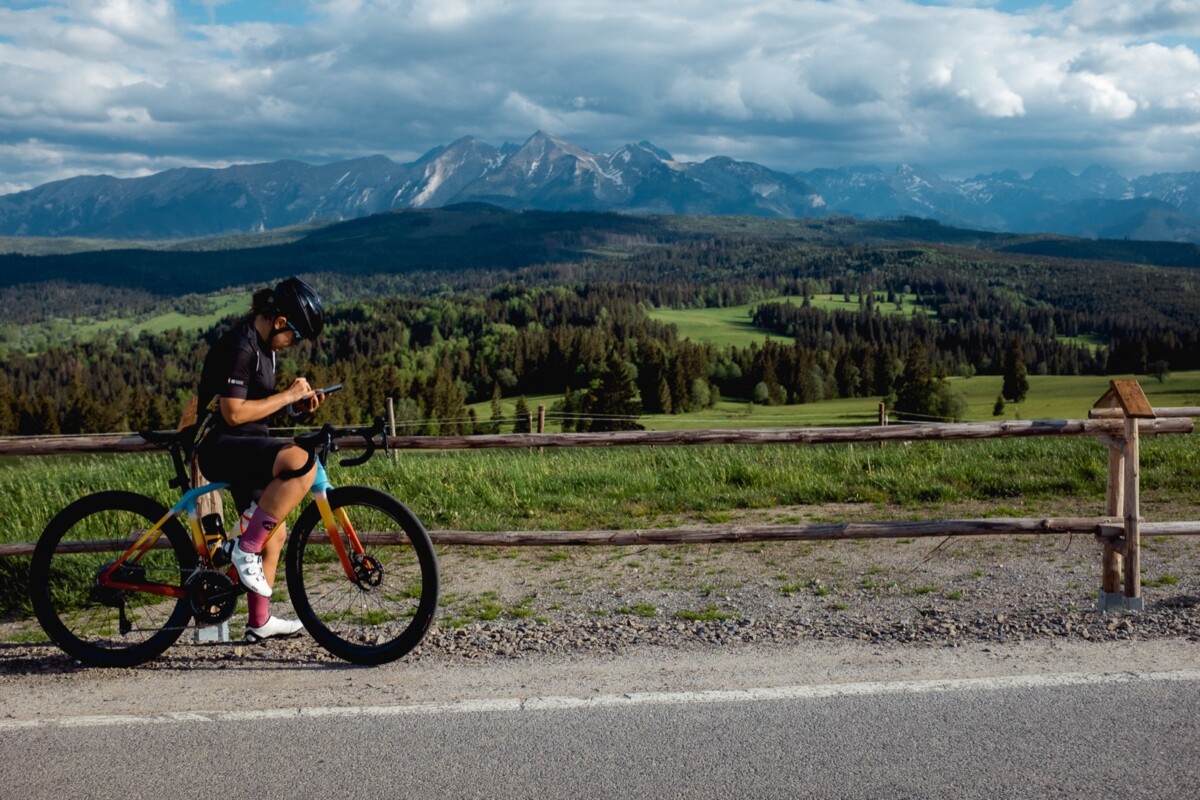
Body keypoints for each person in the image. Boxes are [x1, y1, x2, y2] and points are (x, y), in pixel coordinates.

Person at [194, 276, 327, 642]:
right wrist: (286, 396)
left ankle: (259, 620)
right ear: (280, 321)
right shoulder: (242, 346)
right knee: (302, 462)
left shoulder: (264, 347)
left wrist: (296, 407)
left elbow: (257, 409)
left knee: (277, 531)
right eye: (295, 337)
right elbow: (234, 412)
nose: (293, 345)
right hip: (221, 445)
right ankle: (244, 549)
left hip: (246, 443)